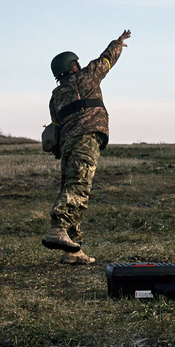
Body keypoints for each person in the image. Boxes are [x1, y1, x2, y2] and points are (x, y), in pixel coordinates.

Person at [42, 29, 131, 265]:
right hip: (86, 138)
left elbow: (56, 126)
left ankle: (73, 249)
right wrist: (119, 42)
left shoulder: (56, 95)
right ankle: (58, 227)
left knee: (70, 187)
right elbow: (107, 59)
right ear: (73, 66)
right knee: (79, 188)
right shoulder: (87, 77)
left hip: (68, 144)